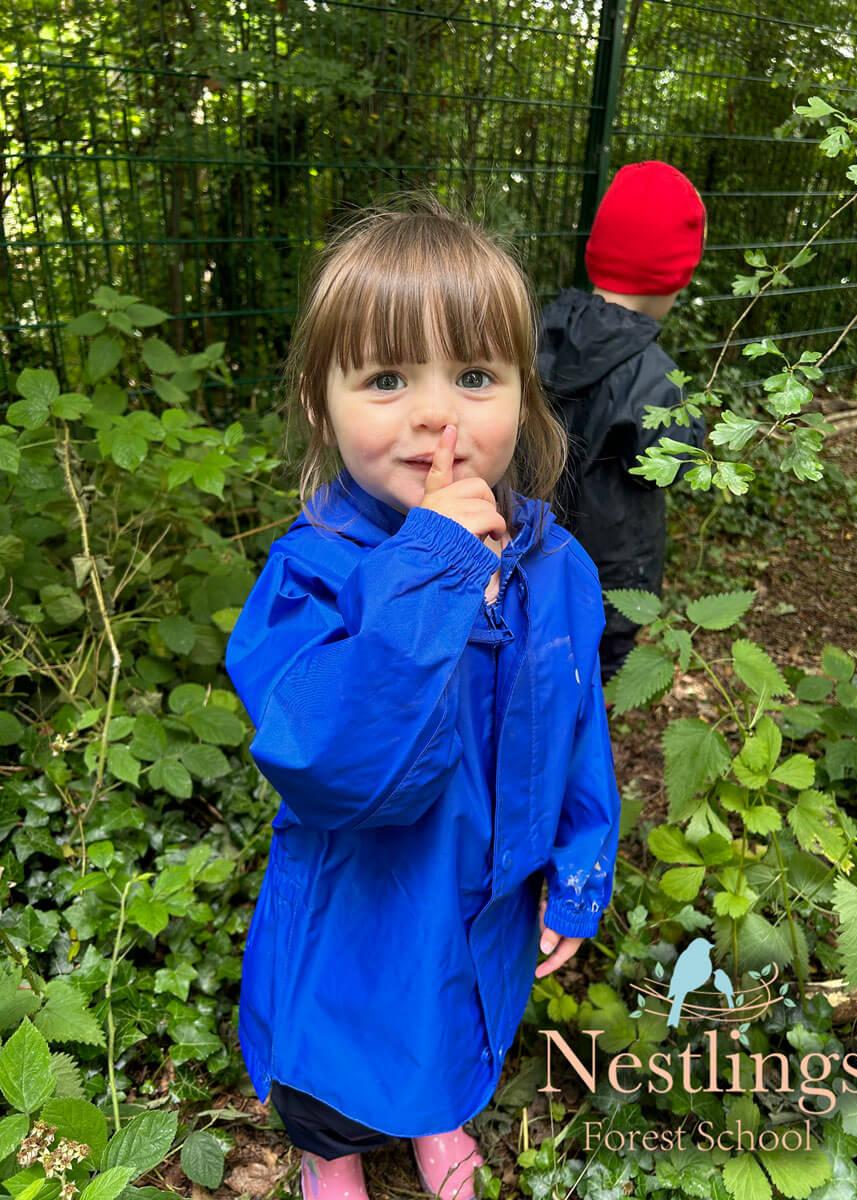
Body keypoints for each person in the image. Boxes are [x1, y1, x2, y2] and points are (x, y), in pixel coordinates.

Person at [224, 193, 621, 1200]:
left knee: (456, 1012)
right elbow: (330, 764)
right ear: (320, 401)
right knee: (344, 1044)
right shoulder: (311, 576)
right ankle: (331, 1156)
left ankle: (437, 1110)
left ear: (524, 396)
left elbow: (581, 724)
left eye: (475, 376)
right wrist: (433, 567)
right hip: (364, 902)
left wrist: (579, 863)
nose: (437, 414)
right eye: (387, 378)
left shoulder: (558, 567)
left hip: (487, 885)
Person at [538, 160, 708, 686]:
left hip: (532, 551)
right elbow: (673, 465)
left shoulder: (542, 332)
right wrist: (695, 425)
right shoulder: (653, 375)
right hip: (612, 579)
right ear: (674, 278)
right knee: (597, 680)